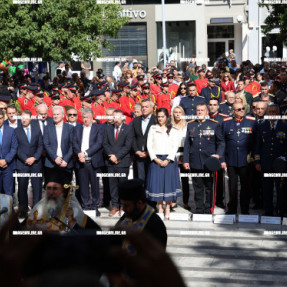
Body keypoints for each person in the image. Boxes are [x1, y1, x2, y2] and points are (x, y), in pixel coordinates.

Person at [183, 103, 225, 214]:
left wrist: (218, 155)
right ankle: (199, 208)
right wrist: (186, 160)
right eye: (198, 110)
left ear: (207, 112)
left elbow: (221, 142)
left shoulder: (214, 124)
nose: (200, 112)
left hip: (209, 162)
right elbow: (187, 144)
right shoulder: (191, 125)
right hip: (195, 161)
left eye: (202, 110)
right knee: (198, 188)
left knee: (209, 187)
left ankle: (208, 208)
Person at [25, 177, 101, 231]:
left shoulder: (75, 211)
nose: (51, 192)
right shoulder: (38, 208)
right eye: (49, 188)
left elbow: (95, 235)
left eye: (55, 189)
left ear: (63, 192)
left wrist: (73, 223)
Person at [222, 102, 257, 214]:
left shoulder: (251, 121)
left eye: (243, 109)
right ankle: (232, 208)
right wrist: (222, 159)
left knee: (245, 186)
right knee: (232, 186)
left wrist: (254, 156)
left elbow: (255, 141)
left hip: (245, 159)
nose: (241, 111)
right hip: (231, 159)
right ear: (233, 111)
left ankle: (244, 209)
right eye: (238, 109)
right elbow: (222, 142)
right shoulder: (226, 123)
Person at [146, 108, 181, 219]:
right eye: (158, 116)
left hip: (169, 160)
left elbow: (175, 145)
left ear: (167, 117)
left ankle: (167, 208)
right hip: (155, 160)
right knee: (158, 185)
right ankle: (160, 207)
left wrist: (168, 159)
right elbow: (149, 145)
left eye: (162, 116)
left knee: (168, 185)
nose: (160, 119)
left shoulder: (173, 129)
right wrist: (155, 159)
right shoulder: (152, 128)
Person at [255, 104, 287, 216]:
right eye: (270, 112)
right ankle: (268, 210)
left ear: (278, 113)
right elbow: (258, 146)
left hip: (280, 164)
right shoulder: (262, 126)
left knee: (280, 188)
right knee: (267, 188)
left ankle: (280, 210)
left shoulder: (284, 127)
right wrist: (257, 162)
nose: (272, 114)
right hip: (266, 163)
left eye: (274, 112)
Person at [116, 179, 167, 248]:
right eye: (122, 205)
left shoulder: (155, 225)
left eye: (126, 205)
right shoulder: (127, 216)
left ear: (139, 203)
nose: (123, 209)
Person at [73, 108, 104, 216]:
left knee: (95, 185)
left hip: (93, 160)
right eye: (84, 117)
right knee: (83, 185)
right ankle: (85, 205)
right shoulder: (77, 128)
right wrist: (79, 154)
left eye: (88, 117)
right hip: (81, 161)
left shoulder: (98, 128)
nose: (86, 120)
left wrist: (85, 153)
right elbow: (75, 143)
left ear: (92, 117)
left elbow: (98, 144)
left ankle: (95, 206)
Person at [103, 109, 132, 217]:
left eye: (118, 117)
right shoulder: (108, 128)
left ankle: (123, 206)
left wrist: (117, 156)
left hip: (122, 162)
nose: (116, 119)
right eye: (114, 117)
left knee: (123, 185)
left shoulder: (128, 128)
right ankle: (114, 206)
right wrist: (111, 156)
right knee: (112, 185)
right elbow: (105, 143)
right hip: (110, 162)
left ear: (123, 118)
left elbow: (128, 145)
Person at [15, 110, 43, 218]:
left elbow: (40, 145)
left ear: (31, 118)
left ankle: (36, 211)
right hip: (22, 164)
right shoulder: (16, 131)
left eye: (26, 117)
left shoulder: (37, 130)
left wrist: (34, 157)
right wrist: (26, 159)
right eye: (22, 117)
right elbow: (16, 147)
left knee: (37, 187)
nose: (24, 119)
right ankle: (23, 210)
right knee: (22, 187)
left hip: (36, 164)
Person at [43, 105, 74, 183]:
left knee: (65, 190)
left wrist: (66, 159)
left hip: (66, 163)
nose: (55, 116)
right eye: (54, 114)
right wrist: (55, 157)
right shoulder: (47, 128)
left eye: (58, 114)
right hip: (51, 163)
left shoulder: (70, 128)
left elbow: (72, 145)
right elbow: (46, 144)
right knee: (52, 191)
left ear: (63, 115)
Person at [132, 99, 156, 184]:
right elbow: (133, 137)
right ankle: (141, 197)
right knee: (140, 180)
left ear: (152, 108)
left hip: (152, 156)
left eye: (146, 107)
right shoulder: (136, 120)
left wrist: (149, 152)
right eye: (143, 107)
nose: (144, 108)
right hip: (139, 156)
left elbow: (157, 139)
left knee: (151, 181)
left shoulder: (156, 120)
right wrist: (137, 150)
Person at [171, 106, 190, 210]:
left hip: (184, 152)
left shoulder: (187, 125)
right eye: (176, 112)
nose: (177, 114)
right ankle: (173, 201)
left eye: (180, 112)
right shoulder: (169, 125)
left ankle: (186, 202)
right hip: (173, 153)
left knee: (185, 179)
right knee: (173, 179)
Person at [0, 109, 18, 197]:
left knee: (8, 193)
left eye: (1, 118)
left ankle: (9, 211)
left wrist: (6, 160)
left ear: (4, 118)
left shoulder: (11, 130)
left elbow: (14, 147)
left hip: (8, 166)